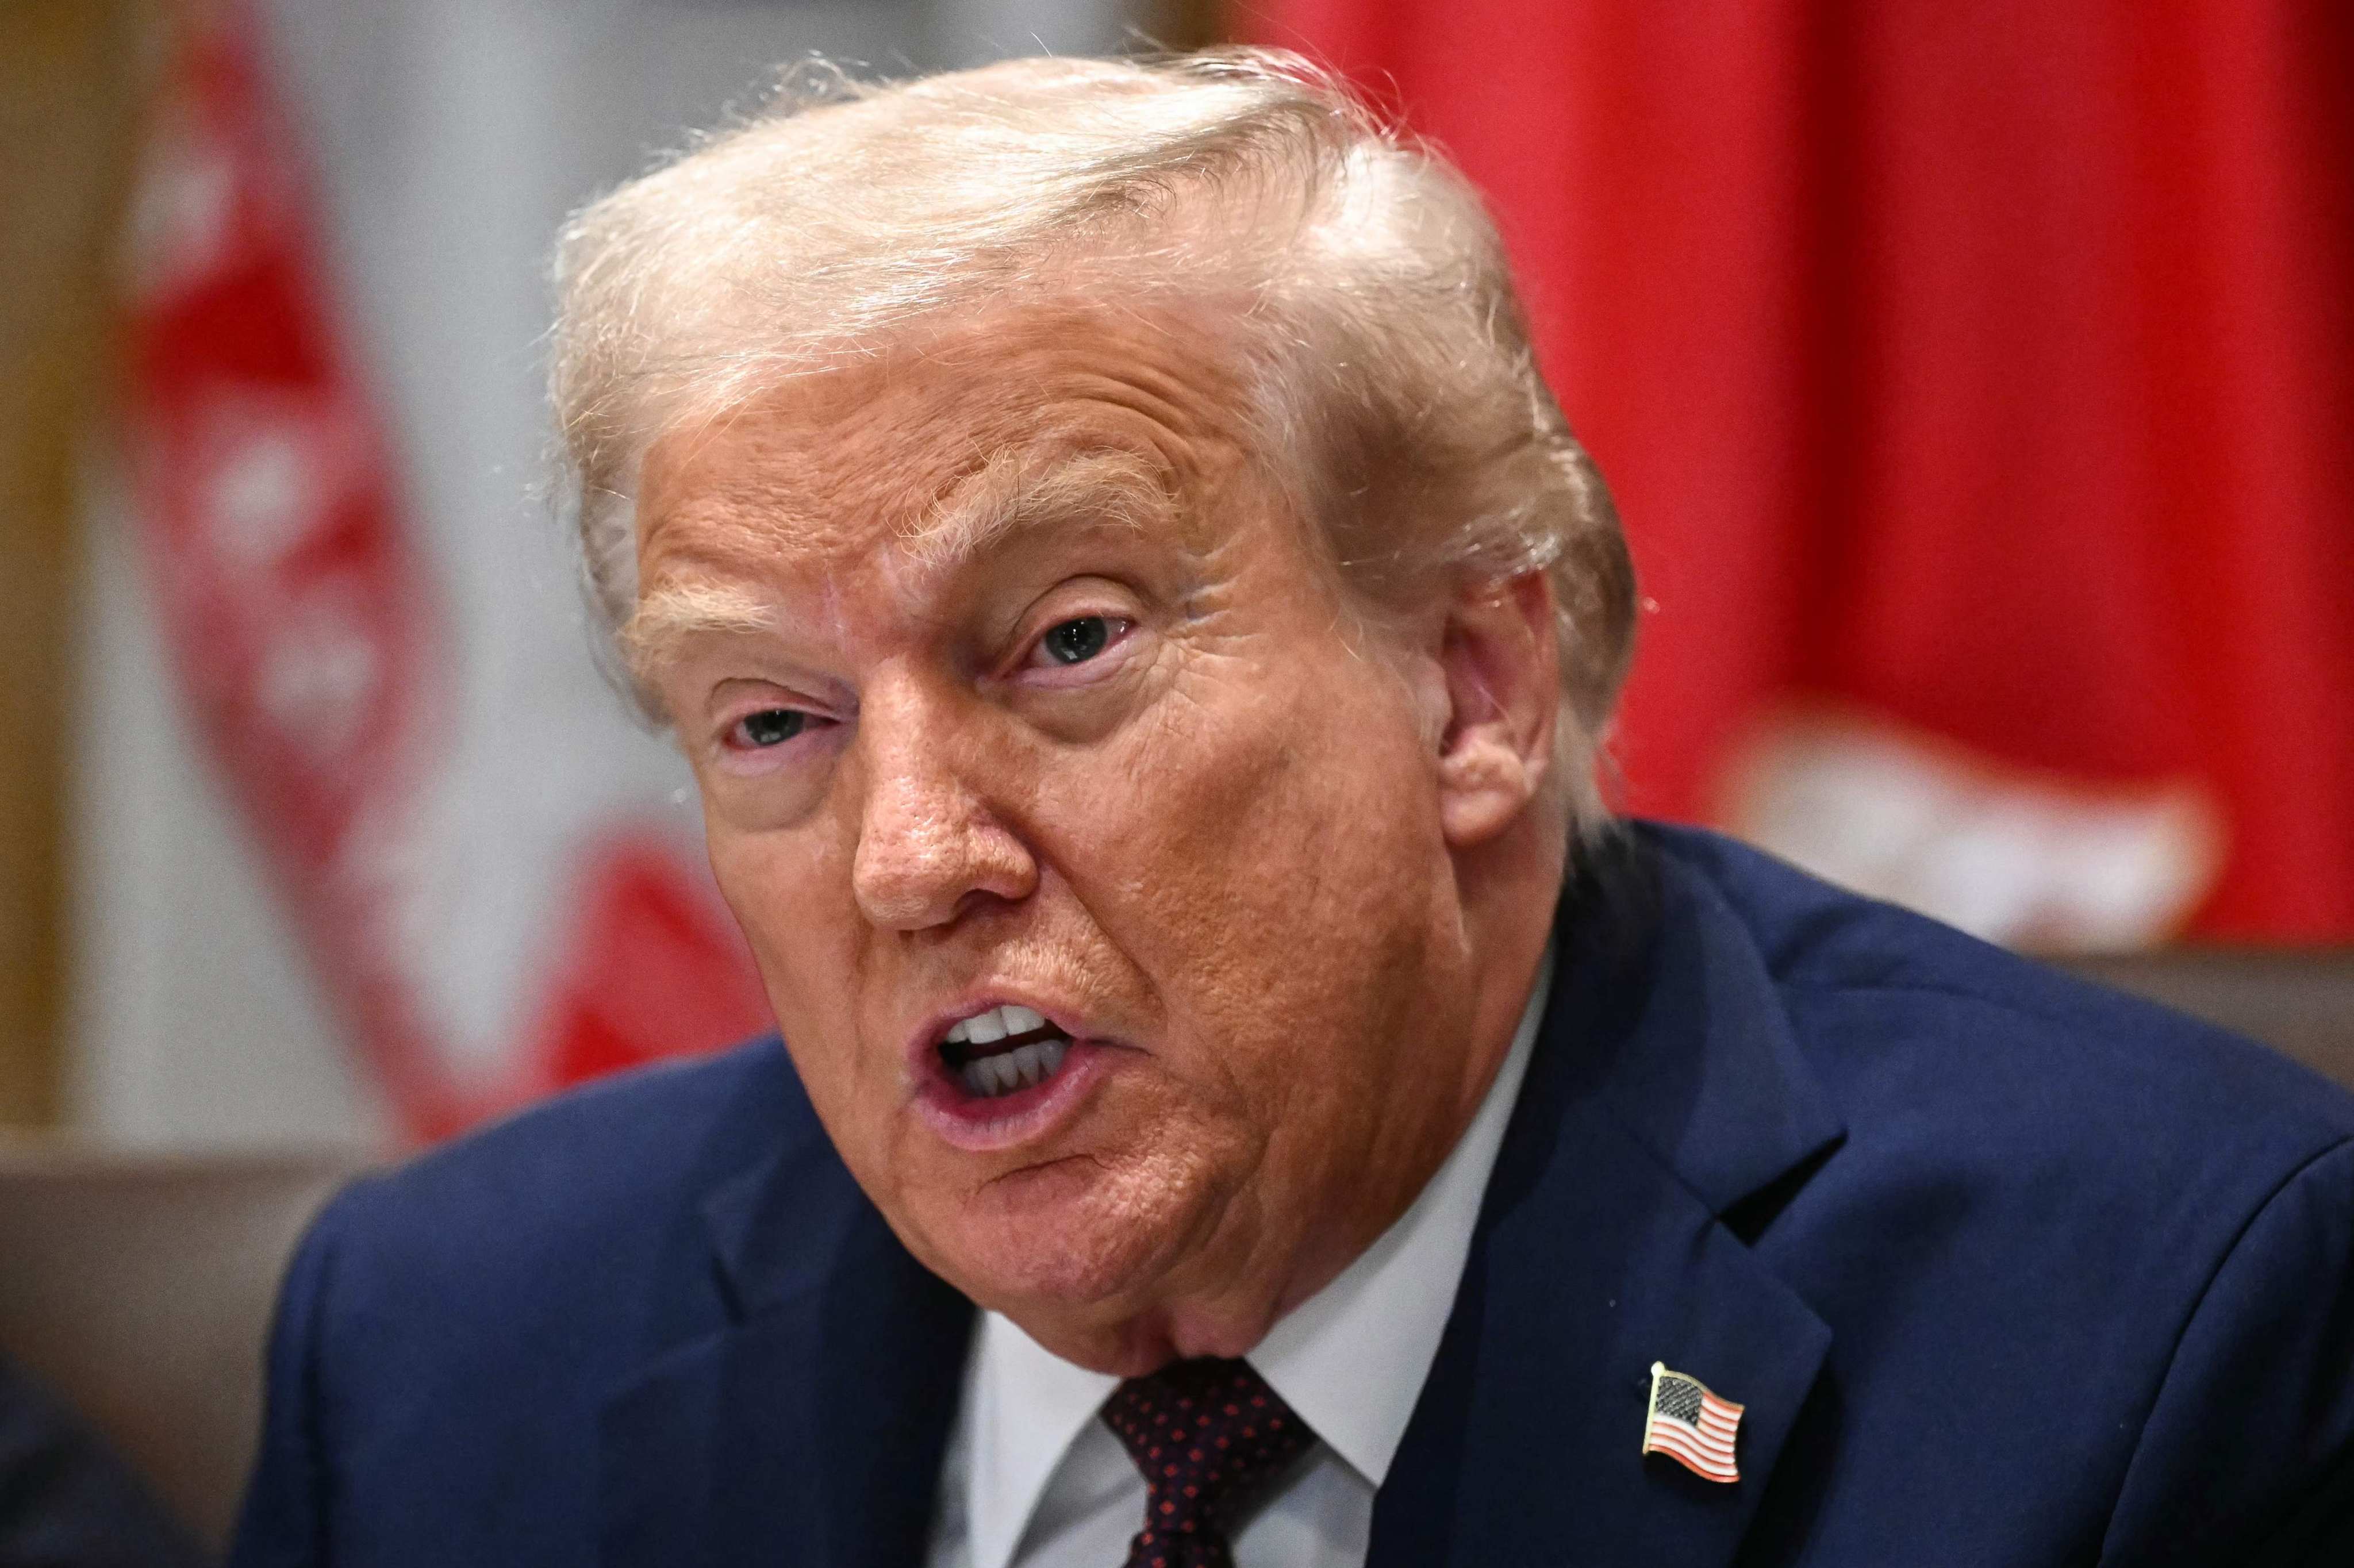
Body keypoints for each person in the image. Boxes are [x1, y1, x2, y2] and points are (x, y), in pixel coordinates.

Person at [228, 50, 2354, 1568]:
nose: (906, 859)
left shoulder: (2155, 1327)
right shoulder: (443, 1360)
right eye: (772, 723)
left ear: (1473, 686)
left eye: (1062, 645)